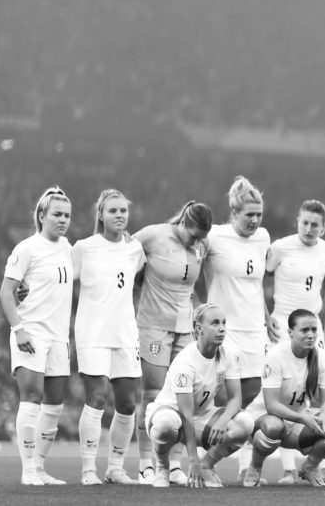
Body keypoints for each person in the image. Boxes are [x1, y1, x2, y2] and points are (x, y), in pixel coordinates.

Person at [196, 176, 278, 482]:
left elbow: (256, 284)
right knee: (223, 401)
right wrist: (198, 308)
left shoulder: (264, 238)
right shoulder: (214, 237)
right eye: (249, 215)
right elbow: (191, 272)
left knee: (251, 400)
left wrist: (266, 315)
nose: (255, 221)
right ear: (234, 212)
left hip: (255, 330)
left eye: (259, 215)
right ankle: (206, 463)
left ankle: (244, 467)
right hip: (224, 332)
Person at [133, 201, 213, 485]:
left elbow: (199, 284)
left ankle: (174, 464)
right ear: (182, 222)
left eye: (200, 237)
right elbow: (125, 260)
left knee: (184, 395)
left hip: (185, 328)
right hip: (153, 326)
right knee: (152, 393)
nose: (195, 241)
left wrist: (203, 309)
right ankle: (146, 464)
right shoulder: (152, 235)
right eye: (192, 235)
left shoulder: (200, 247)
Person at [0, 186, 73, 485]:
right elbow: (6, 291)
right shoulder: (27, 248)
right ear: (42, 215)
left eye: (67, 215)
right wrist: (19, 329)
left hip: (59, 337)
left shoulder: (68, 248)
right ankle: (28, 470)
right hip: (31, 332)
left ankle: (40, 467)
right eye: (57, 214)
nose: (63, 220)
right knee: (31, 398)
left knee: (55, 405)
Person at [73, 189, 145, 485]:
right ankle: (88, 469)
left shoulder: (134, 248)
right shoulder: (84, 248)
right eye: (112, 210)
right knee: (98, 398)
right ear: (100, 215)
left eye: (123, 211)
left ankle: (115, 467)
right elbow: (60, 279)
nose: (119, 215)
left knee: (129, 404)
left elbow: (137, 280)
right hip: (92, 333)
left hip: (125, 333)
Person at [264, 199, 325, 484]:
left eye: (315, 224)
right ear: (297, 221)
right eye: (305, 222)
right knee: (283, 392)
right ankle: (286, 468)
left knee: (315, 390)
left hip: (312, 327)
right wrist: (264, 313)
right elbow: (259, 277)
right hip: (282, 325)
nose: (309, 228)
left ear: (323, 227)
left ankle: (318, 463)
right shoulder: (281, 247)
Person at [145, 303, 254, 488]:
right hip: (170, 415)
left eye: (223, 323)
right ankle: (163, 468)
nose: (221, 328)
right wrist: (192, 459)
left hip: (200, 417)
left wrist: (222, 420)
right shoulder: (185, 362)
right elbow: (186, 415)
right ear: (199, 329)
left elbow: (236, 399)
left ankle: (207, 466)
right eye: (215, 323)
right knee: (166, 425)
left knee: (245, 423)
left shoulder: (228, 354)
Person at [241, 309, 325, 488]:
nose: (311, 335)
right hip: (262, 421)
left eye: (314, 330)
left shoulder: (323, 358)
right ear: (290, 333)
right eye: (304, 330)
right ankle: (255, 467)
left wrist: (324, 418)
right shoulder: (275, 356)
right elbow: (271, 405)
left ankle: (309, 468)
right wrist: (304, 418)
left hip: (296, 425)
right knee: (275, 425)